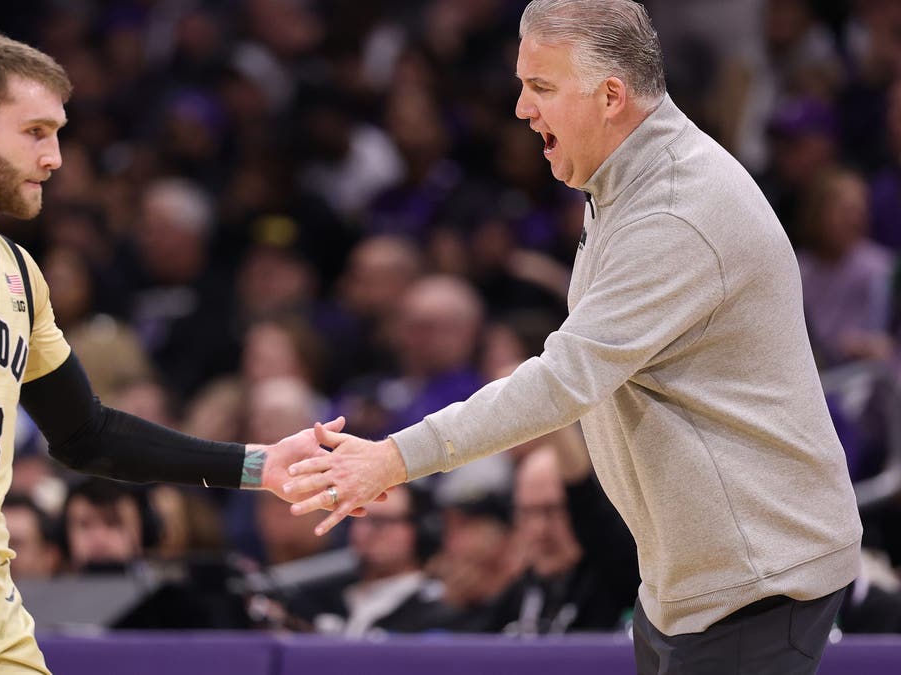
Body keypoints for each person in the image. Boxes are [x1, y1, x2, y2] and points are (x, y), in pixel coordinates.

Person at [284, 1, 862, 672]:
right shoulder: (626, 182)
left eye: (541, 88)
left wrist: (394, 458)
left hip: (757, 576)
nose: (523, 110)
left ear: (611, 95)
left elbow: (563, 380)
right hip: (694, 579)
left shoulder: (675, 210)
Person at [0, 33, 347, 675]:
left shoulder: (19, 273)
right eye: (36, 132)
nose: (55, 157)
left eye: (58, 133)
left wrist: (254, 464)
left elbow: (86, 434)